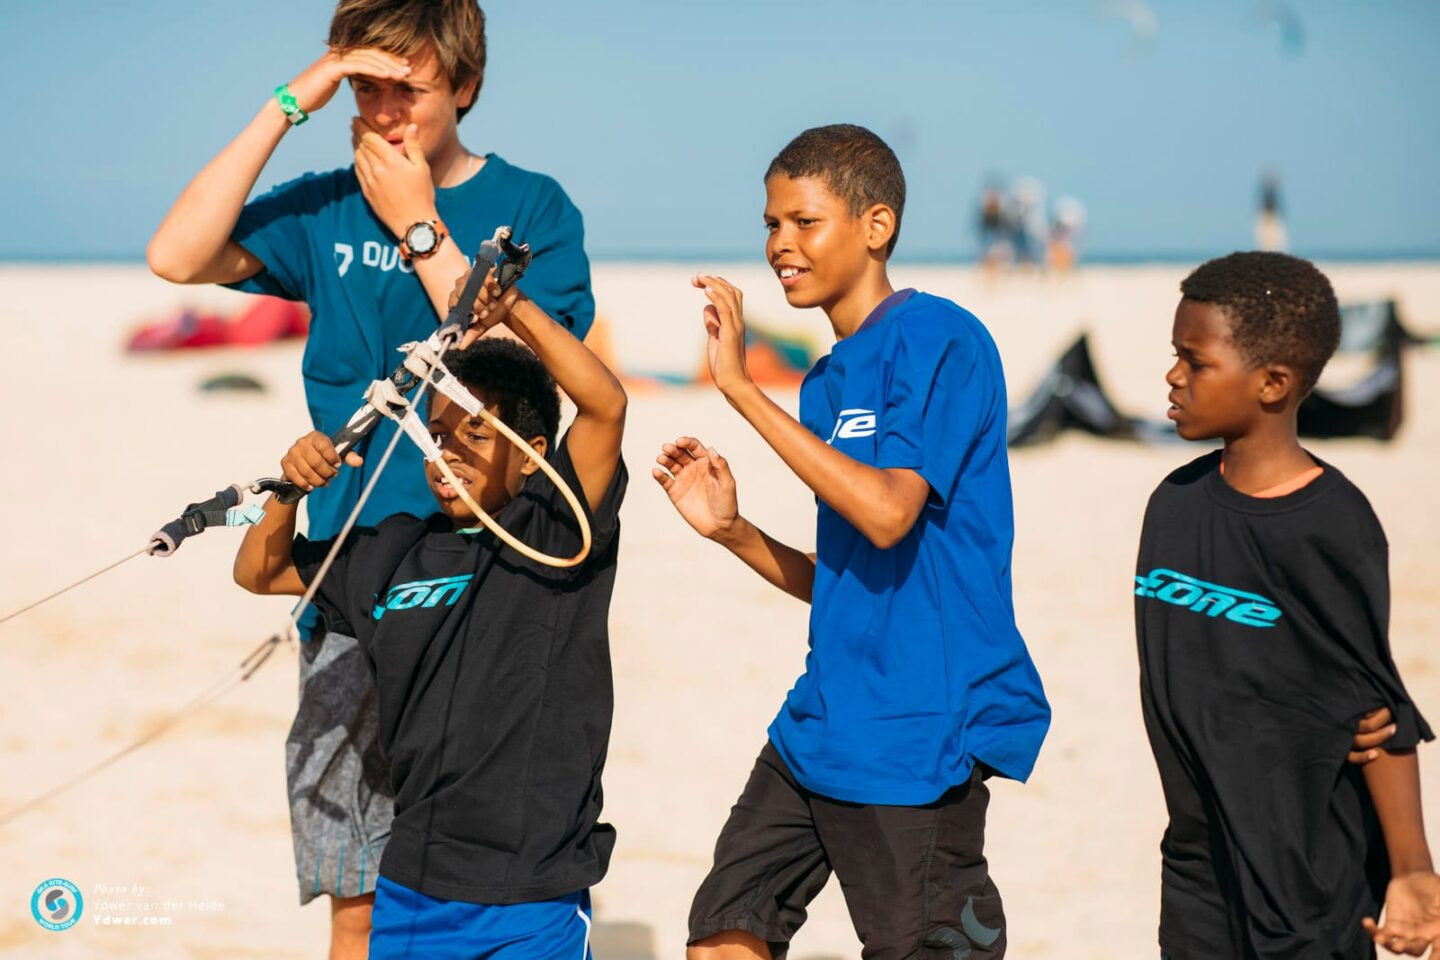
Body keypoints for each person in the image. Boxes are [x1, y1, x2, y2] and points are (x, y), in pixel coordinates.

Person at [145, 2, 594, 954]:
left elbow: (517, 377)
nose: (385, 114)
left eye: (411, 90)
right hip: (351, 576)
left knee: (487, 865)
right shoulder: (324, 202)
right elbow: (176, 254)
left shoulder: (536, 206)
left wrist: (421, 228)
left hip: (489, 578)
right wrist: (293, 99)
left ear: (465, 88)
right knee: (358, 884)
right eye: (365, 88)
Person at [653, 124, 1050, 959]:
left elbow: (887, 513)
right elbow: (847, 575)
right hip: (819, 721)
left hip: (920, 729)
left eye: (803, 222)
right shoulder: (827, 379)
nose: (779, 246)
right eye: (770, 224)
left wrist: (740, 389)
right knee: (724, 935)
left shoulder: (939, 337)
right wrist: (733, 532)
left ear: (876, 227)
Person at [233, 270, 626, 960]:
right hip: (412, 882)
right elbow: (259, 572)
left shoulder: (555, 531)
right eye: (438, 437)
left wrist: (514, 308)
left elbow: (605, 406)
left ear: (533, 456)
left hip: (530, 891)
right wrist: (289, 489)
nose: (449, 456)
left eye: (475, 434)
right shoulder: (391, 549)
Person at [1138, 251, 1440, 958]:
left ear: (1273, 383)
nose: (1173, 376)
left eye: (1195, 360)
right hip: (1196, 870)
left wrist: (1413, 868)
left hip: (1309, 885)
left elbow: (1377, 712)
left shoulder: (1331, 524)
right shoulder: (1172, 507)